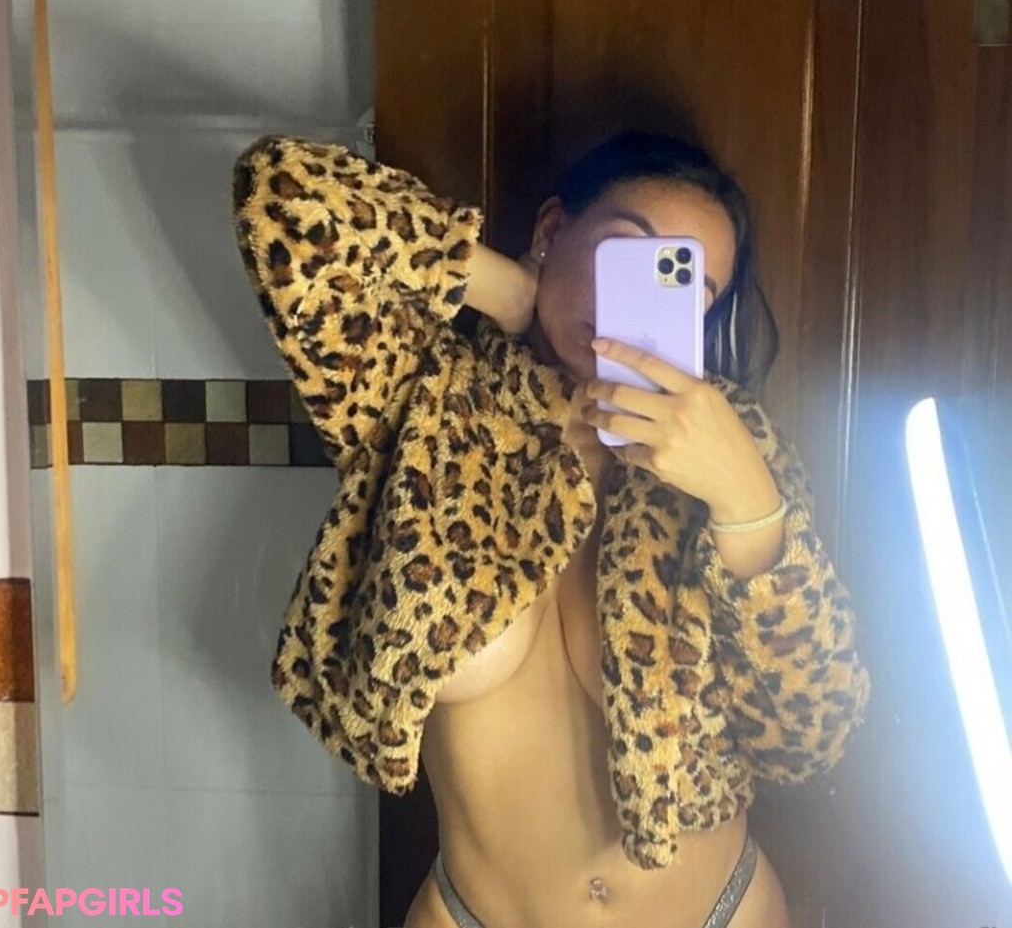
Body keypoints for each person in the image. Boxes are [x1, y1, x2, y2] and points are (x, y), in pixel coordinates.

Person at [232, 130, 871, 928]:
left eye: (687, 285)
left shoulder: (736, 442)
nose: (644, 298)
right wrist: (503, 287)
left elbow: (811, 734)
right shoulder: (429, 404)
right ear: (550, 229)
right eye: (628, 253)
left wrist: (746, 499)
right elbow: (279, 195)